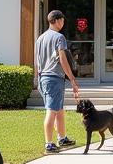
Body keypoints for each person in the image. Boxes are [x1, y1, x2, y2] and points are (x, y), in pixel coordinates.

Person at [33, 9, 80, 154]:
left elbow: (37, 61)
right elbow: (62, 59)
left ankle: (62, 138)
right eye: (63, 20)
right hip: (54, 78)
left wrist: (37, 78)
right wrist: (72, 78)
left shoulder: (40, 38)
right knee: (51, 111)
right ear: (58, 20)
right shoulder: (59, 37)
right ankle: (49, 143)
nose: (63, 23)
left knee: (59, 110)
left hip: (43, 77)